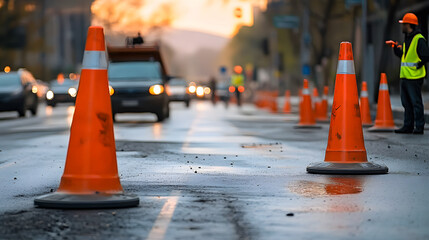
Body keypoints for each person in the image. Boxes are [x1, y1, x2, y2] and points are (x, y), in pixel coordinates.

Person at [390, 13, 429, 134]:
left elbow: (426, 55)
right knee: (406, 103)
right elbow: (404, 56)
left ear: (409, 25)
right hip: (406, 77)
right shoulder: (408, 39)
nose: (401, 26)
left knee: (416, 103)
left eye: (403, 24)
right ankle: (408, 126)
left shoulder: (419, 39)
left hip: (414, 77)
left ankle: (419, 127)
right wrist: (396, 49)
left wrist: (418, 64)